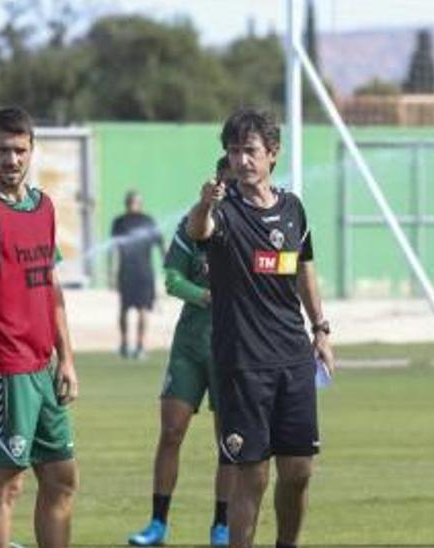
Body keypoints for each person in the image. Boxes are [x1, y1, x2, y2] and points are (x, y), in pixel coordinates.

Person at [185, 108, 334, 548]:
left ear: (273, 154)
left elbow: (304, 269)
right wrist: (205, 202)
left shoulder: (292, 208)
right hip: (243, 364)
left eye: (249, 151)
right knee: (252, 476)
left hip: (293, 358)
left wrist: (321, 328)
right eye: (233, 152)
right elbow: (200, 229)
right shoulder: (225, 212)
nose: (241, 160)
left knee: (299, 471)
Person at [0, 107, 79, 548]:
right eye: (2, 150)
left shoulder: (43, 207)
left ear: (32, 151)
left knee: (62, 477)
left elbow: (51, 286)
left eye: (20, 150)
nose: (11, 160)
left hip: (43, 367)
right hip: (4, 371)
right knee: (4, 486)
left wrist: (67, 359)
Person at [128, 157, 235, 547]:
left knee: (230, 441)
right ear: (214, 183)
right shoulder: (192, 226)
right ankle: (157, 523)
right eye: (223, 182)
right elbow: (171, 278)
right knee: (171, 431)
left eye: (234, 182)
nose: (227, 189)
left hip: (233, 349)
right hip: (190, 345)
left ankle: (222, 526)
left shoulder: (249, 227)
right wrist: (204, 294)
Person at [111, 190, 163, 360]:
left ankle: (140, 346)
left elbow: (161, 246)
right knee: (124, 309)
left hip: (144, 272)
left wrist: (170, 268)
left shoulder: (148, 221)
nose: (133, 204)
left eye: (135, 202)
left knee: (143, 310)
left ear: (140, 204)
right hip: (127, 272)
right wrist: (113, 271)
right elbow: (114, 249)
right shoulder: (119, 222)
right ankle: (125, 344)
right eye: (131, 202)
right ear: (127, 203)